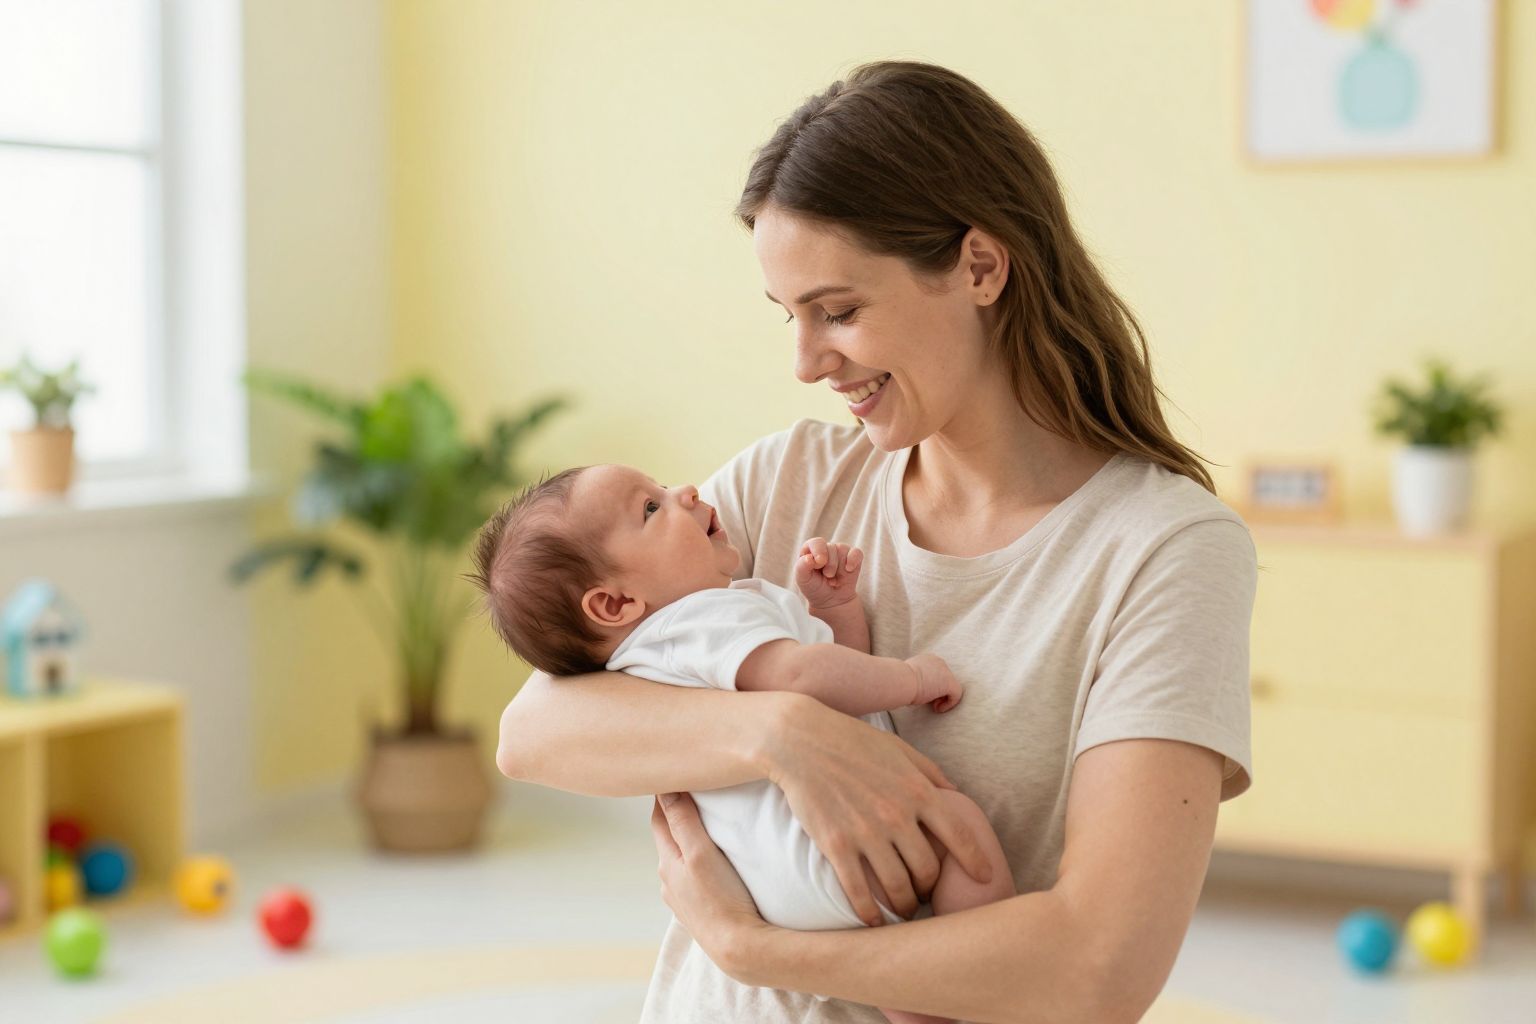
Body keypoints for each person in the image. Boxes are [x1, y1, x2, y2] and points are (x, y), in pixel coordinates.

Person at [493, 59, 1257, 1023]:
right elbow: (535, 731)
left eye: (839, 312)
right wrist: (786, 735)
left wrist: (750, 947)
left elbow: (1095, 969)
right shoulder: (788, 482)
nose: (807, 362)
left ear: (981, 267)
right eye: (790, 317)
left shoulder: (1162, 552)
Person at [468, 461, 1016, 1024]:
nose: (683, 490)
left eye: (659, 486)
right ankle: (985, 994)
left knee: (898, 975)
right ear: (615, 604)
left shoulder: (652, 657)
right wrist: (915, 679)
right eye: (651, 508)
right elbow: (806, 680)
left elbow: (836, 687)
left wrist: (830, 613)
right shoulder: (702, 620)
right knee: (959, 830)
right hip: (831, 847)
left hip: (774, 883)